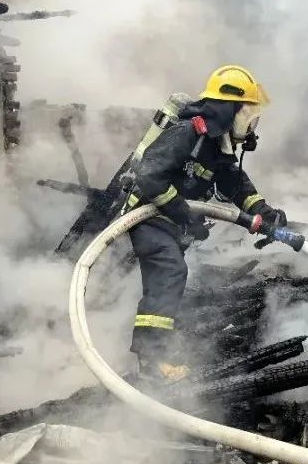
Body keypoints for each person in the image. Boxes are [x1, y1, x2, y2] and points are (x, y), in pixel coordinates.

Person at [120, 65, 286, 380]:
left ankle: (158, 352)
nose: (251, 123)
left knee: (169, 281)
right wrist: (185, 214)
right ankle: (151, 363)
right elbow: (149, 176)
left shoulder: (216, 144)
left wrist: (264, 212)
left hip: (170, 223)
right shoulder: (189, 133)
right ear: (229, 109)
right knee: (170, 273)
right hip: (148, 216)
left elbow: (235, 184)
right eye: (247, 113)